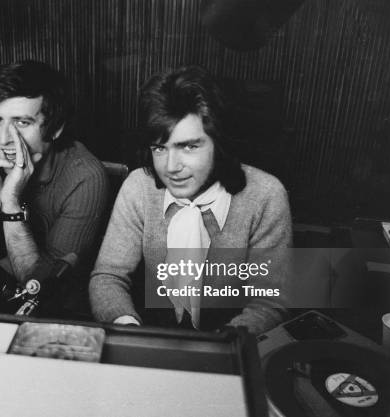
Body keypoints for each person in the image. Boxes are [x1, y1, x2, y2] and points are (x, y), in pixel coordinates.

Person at [89, 65, 292, 334]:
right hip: (151, 336)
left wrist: (220, 347)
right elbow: (108, 277)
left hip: (231, 346)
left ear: (219, 143)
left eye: (189, 146)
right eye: (160, 148)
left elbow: (270, 301)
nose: (171, 166)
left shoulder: (266, 195)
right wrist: (129, 328)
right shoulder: (139, 186)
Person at [0, 60, 109, 313]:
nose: (3, 139)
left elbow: (44, 291)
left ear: (55, 128)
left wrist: (10, 202)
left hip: (52, 318)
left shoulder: (85, 177)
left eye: (22, 123)